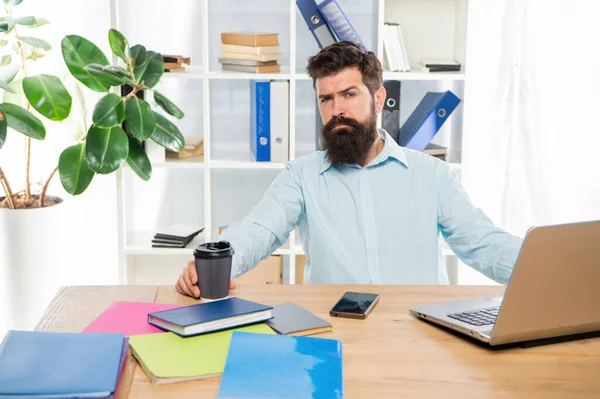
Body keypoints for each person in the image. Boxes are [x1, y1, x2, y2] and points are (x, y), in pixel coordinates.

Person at [175, 41, 523, 299]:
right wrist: (208, 267)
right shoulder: (301, 177)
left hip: (419, 336)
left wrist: (547, 271)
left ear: (377, 98)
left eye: (349, 94)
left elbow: (482, 244)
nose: (337, 109)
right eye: (326, 99)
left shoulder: (432, 175)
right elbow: (256, 230)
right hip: (333, 333)